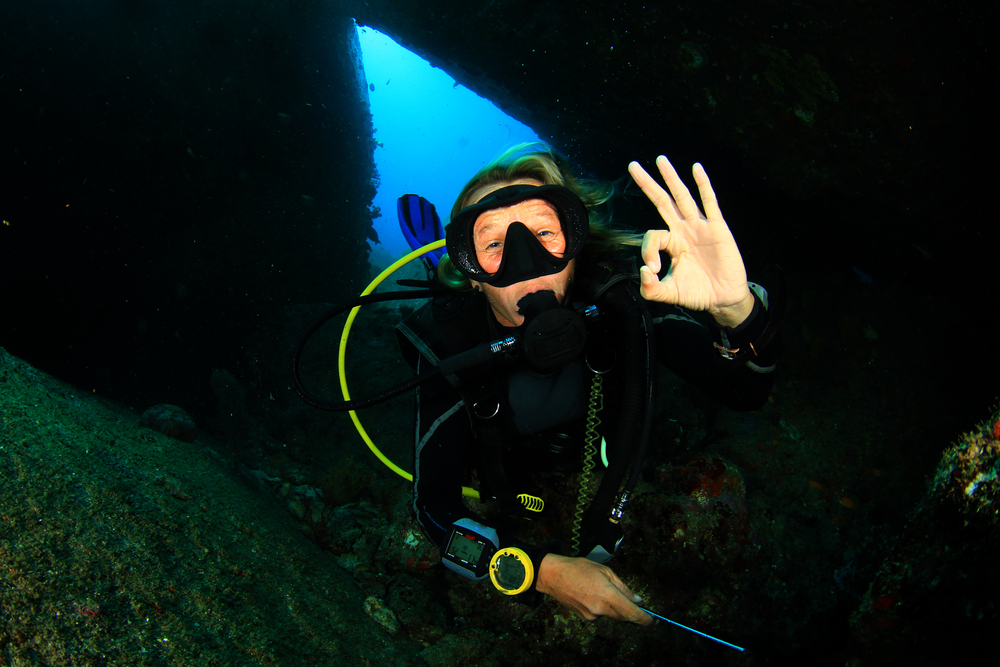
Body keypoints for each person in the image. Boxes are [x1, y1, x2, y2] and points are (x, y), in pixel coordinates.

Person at [395, 143, 778, 626]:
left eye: (544, 233)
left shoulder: (624, 305)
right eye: (493, 245)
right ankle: (436, 272)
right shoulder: (450, 346)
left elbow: (747, 392)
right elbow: (433, 504)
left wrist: (736, 312)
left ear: (576, 245)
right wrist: (539, 572)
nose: (525, 262)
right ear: (471, 273)